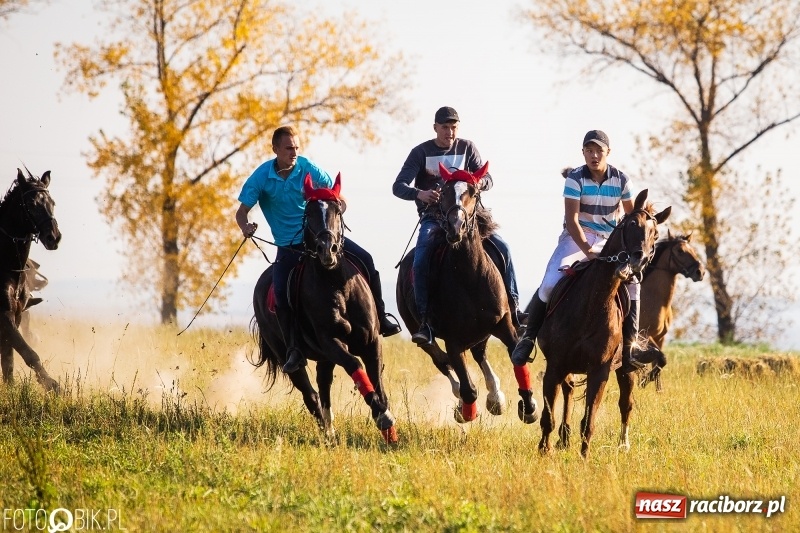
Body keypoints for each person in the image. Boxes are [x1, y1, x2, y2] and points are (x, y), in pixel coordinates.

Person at [236, 125, 401, 374]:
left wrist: (335, 212)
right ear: (276, 149)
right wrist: (246, 227)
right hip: (288, 245)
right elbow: (241, 212)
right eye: (289, 148)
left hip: (321, 238)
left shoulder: (308, 168)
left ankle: (381, 315)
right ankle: (293, 348)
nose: (294, 152)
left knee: (366, 259)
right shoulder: (261, 177)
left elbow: (340, 199)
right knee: (280, 290)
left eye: (297, 148)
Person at [511, 129, 644, 372]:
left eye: (598, 151)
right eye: (589, 151)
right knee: (551, 281)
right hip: (577, 237)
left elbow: (631, 219)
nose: (594, 156)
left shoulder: (623, 181)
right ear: (583, 152)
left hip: (609, 240)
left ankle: (631, 346)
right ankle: (529, 338)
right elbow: (572, 221)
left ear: (608, 153)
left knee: (634, 283)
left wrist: (628, 250)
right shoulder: (575, 178)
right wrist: (588, 250)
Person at [393, 106, 526, 346]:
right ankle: (425, 321)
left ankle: (515, 309)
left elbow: (488, 178)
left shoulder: (467, 147)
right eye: (445, 127)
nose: (450, 132)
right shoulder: (420, 152)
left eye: (454, 127)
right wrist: (419, 193)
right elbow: (398, 186)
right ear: (435, 128)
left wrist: (479, 182)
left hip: (471, 217)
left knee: (503, 248)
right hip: (435, 218)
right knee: (421, 257)